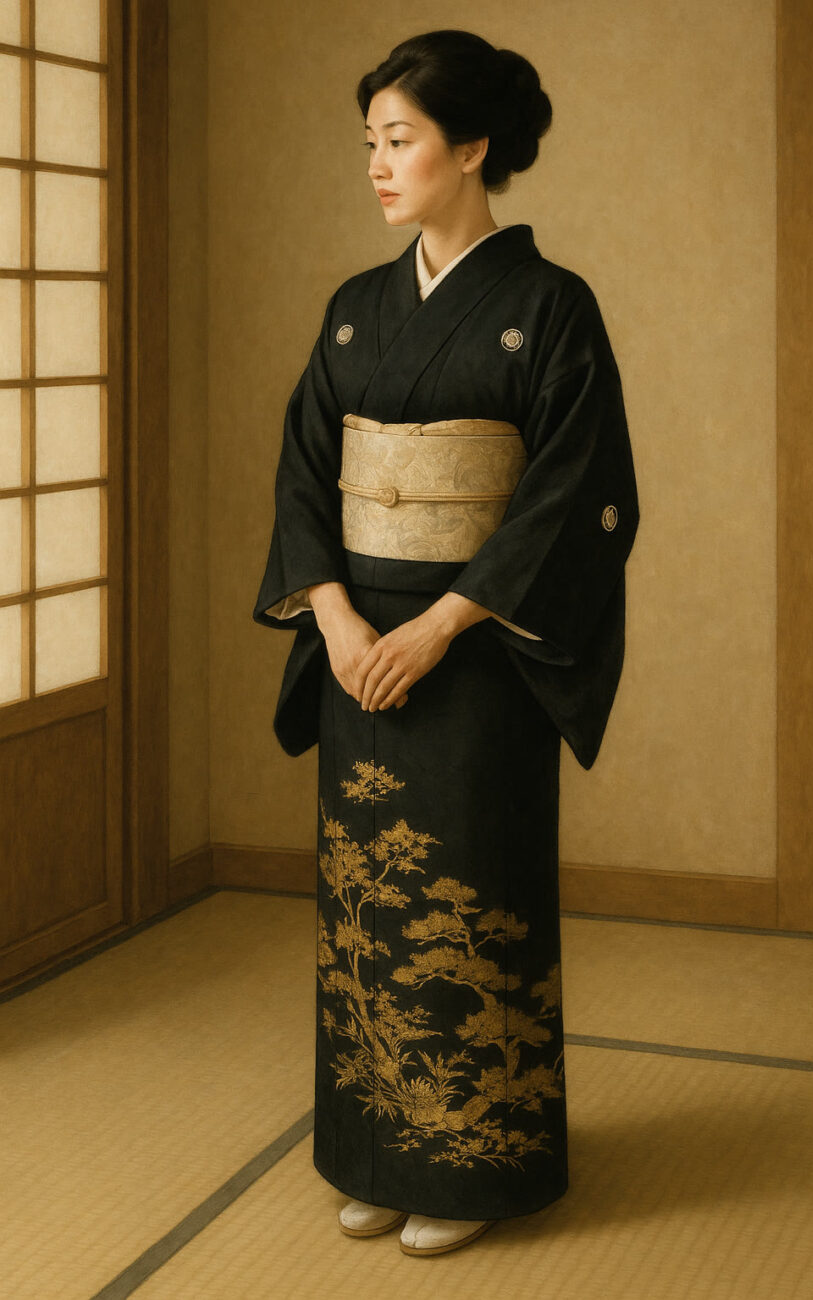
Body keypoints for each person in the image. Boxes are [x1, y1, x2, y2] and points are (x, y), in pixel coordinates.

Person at [252, 29, 639, 1258]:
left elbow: (575, 494)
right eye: (368, 141)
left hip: (475, 656)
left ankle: (470, 1162)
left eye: (401, 139)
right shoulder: (356, 313)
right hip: (361, 642)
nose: (377, 163)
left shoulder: (548, 307)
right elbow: (306, 477)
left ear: (473, 148)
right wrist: (338, 617)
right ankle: (379, 1148)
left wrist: (439, 623)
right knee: (368, 901)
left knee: (466, 891)